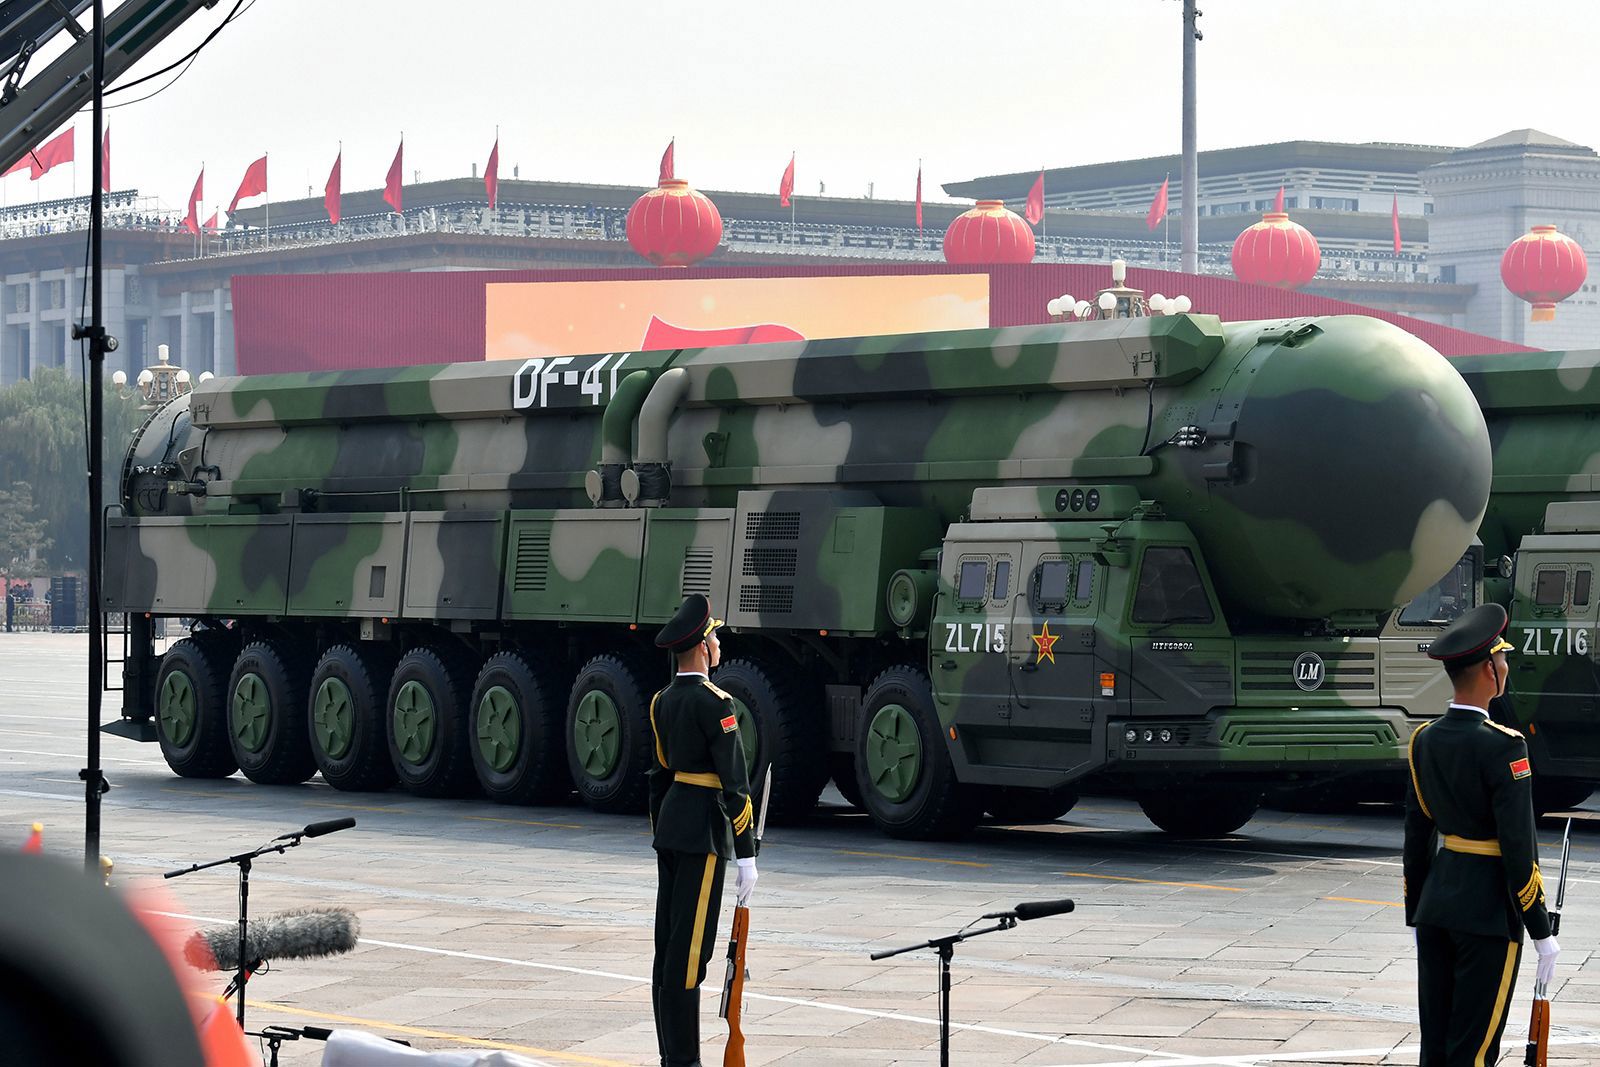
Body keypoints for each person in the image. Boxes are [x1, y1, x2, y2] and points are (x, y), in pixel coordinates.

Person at [1404, 602, 1558, 1066]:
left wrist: (1418, 911)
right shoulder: (1505, 745)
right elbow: (1518, 848)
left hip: (1436, 911)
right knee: (1472, 1052)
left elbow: (1417, 838)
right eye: (1503, 658)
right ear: (1490, 670)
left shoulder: (1424, 740)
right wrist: (1540, 928)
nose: (1506, 666)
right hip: (1488, 917)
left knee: (1435, 1051)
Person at [648, 594, 758, 1067]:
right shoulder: (718, 703)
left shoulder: (663, 701)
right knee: (690, 957)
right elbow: (736, 784)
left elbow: (660, 776)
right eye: (714, 638)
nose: (717, 644)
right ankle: (685, 1063)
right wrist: (746, 852)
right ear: (701, 648)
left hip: (672, 828)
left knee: (667, 948)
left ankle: (671, 1056)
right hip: (703, 835)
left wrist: (663, 828)